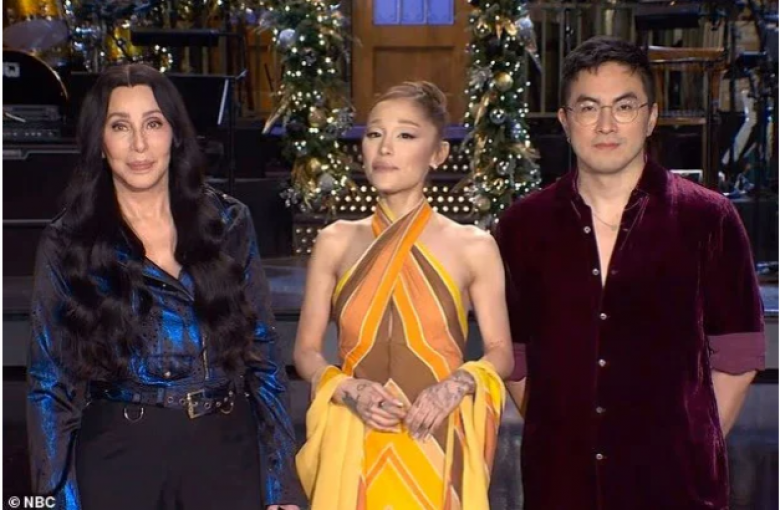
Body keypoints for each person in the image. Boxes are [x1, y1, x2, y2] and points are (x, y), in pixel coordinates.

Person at [496, 36, 765, 510]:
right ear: (565, 120)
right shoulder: (523, 225)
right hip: (561, 486)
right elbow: (513, 357)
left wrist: (687, 448)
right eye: (588, 108)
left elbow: (739, 354)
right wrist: (569, 435)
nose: (606, 125)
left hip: (676, 489)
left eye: (624, 107)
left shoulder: (708, 218)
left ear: (651, 117)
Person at [27, 64, 303, 510]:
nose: (139, 144)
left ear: (175, 134)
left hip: (224, 451)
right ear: (100, 142)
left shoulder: (228, 222)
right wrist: (55, 501)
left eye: (153, 124)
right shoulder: (68, 241)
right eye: (121, 126)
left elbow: (264, 356)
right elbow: (48, 385)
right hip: (119, 453)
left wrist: (281, 485)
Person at [293, 81, 512, 509]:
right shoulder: (335, 241)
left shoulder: (473, 246)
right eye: (374, 133)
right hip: (355, 442)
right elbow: (305, 352)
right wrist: (348, 389)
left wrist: (456, 386)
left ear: (438, 153)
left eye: (406, 135)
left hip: (435, 439)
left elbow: (501, 352)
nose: (385, 148)